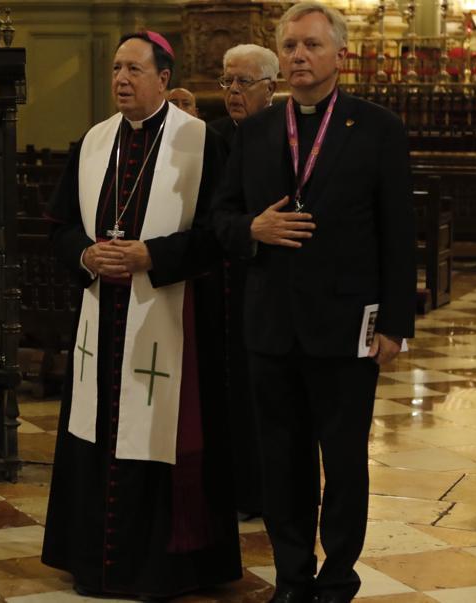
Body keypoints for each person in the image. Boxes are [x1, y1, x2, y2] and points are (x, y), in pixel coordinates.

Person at [212, 4, 416, 602]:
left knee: (345, 464)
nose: (300, 55)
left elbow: (398, 234)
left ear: (339, 54)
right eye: (291, 45)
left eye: (311, 45)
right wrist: (253, 228)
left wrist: (396, 325)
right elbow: (220, 219)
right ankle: (293, 575)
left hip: (347, 325)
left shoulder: (378, 128)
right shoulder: (254, 132)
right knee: (283, 463)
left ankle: (339, 577)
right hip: (271, 326)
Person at [41, 31, 242, 600]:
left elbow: (221, 237)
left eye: (134, 70)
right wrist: (86, 253)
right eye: (115, 70)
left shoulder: (203, 143)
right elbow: (57, 229)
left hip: (173, 321)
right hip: (100, 322)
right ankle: (94, 565)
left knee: (158, 436)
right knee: (99, 428)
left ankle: (163, 568)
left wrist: (152, 255)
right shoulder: (92, 142)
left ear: (162, 77)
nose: (121, 80)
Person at [208, 43, 280, 521]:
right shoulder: (209, 137)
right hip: (214, 278)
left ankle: (261, 492)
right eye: (227, 82)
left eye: (243, 83)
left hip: (265, 282)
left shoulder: (284, 137)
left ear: (270, 89)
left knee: (262, 396)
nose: (232, 91)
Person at [208, 44, 279, 146]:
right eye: (228, 80)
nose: (233, 88)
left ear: (270, 89)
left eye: (244, 81)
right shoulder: (212, 135)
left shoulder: (289, 133)